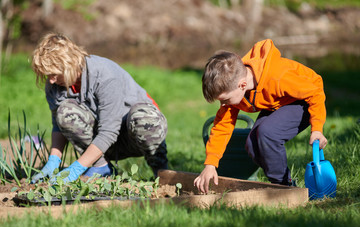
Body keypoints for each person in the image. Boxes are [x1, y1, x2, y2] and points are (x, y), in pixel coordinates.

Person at [31, 33, 168, 184]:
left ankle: (161, 169)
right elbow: (58, 124)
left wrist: (76, 168)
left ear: (68, 63)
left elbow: (109, 131)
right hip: (102, 140)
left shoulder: (104, 75)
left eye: (54, 74)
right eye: (47, 75)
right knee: (65, 113)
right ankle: (101, 167)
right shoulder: (55, 85)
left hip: (134, 132)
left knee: (144, 119)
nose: (50, 80)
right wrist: (53, 161)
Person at [194, 39, 327, 193]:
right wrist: (210, 165)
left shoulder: (277, 76)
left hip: (304, 100)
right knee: (252, 144)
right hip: (279, 102)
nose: (223, 105)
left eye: (225, 99)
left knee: (267, 133)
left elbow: (314, 93)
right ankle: (284, 183)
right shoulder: (234, 88)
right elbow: (222, 126)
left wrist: (317, 129)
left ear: (242, 85)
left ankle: (285, 188)